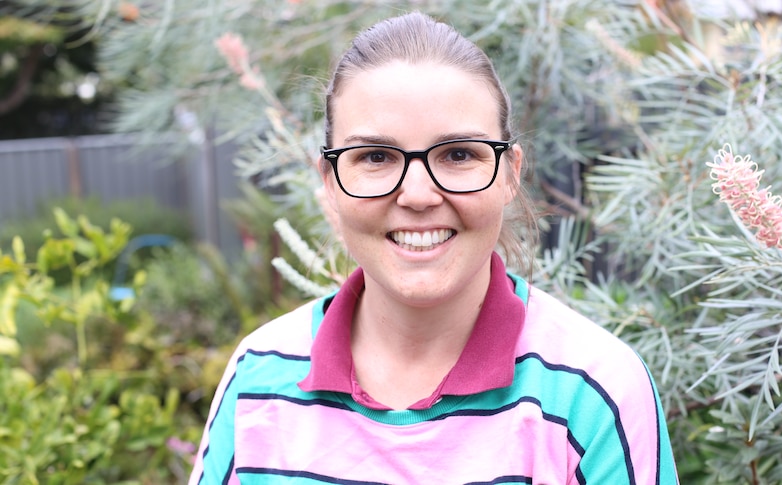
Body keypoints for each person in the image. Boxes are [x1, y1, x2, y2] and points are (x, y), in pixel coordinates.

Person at [189, 11, 678, 484]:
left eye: (459, 154)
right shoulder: (257, 380)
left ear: (511, 174)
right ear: (331, 183)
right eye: (376, 156)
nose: (419, 196)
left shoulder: (593, 395)